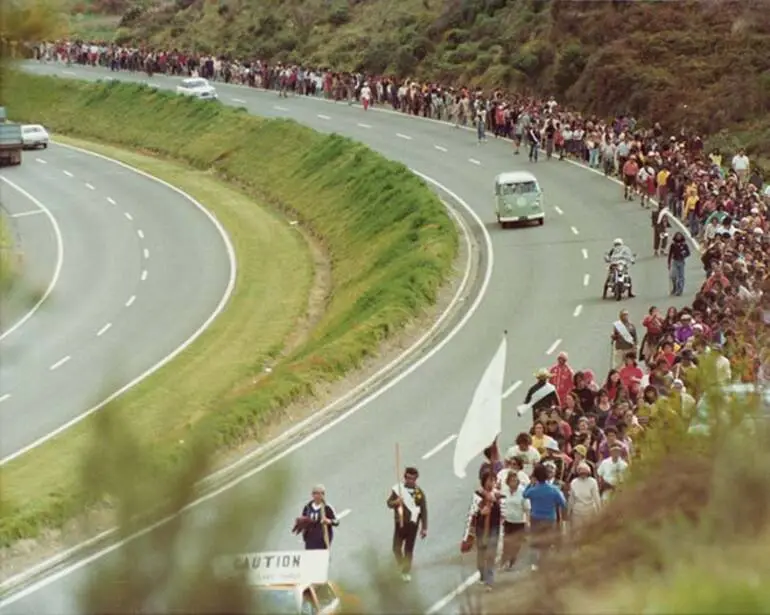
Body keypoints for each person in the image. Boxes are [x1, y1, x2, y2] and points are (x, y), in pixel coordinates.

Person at [461, 470, 502, 590]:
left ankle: (490, 581)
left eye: (494, 480)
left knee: (491, 554)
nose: (492, 483)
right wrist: (481, 512)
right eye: (489, 480)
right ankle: (482, 574)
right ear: (484, 482)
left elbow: (503, 513)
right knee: (481, 553)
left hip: (494, 528)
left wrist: (495, 502)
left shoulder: (498, 495)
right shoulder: (478, 494)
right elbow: (472, 512)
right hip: (481, 528)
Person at [386, 467, 428, 583]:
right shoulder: (398, 490)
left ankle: (405, 571)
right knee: (396, 548)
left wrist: (424, 528)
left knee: (408, 550)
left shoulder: (419, 494)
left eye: (412, 479)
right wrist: (396, 502)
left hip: (412, 525)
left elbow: (423, 511)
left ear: (416, 479)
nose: (409, 481)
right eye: (407, 478)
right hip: (399, 523)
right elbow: (389, 503)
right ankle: (401, 565)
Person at [523, 463, 567, 571]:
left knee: (536, 541)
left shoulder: (533, 490)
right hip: (549, 519)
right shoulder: (554, 489)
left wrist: (530, 483)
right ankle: (544, 563)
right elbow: (563, 503)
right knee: (547, 543)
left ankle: (535, 564)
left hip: (536, 518)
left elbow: (524, 494)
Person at [292, 485, 340, 550]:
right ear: (312, 495)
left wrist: (328, 521)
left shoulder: (327, 507)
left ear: (323, 495)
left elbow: (336, 522)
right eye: (316, 493)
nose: (318, 496)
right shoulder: (307, 507)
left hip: (323, 540)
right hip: (310, 539)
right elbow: (303, 519)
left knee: (321, 558)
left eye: (320, 493)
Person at [500, 470, 530, 570]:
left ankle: (512, 561)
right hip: (508, 521)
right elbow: (502, 503)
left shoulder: (522, 492)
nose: (514, 482)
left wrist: (528, 522)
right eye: (512, 480)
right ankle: (504, 561)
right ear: (508, 482)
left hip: (519, 521)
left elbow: (527, 508)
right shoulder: (505, 491)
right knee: (507, 542)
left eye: (515, 480)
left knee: (516, 544)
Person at [668, 232, 691, 296]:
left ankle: (680, 290)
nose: (678, 237)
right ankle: (675, 287)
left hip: (681, 261)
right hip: (674, 261)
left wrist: (684, 254)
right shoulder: (673, 244)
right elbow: (670, 254)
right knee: (673, 276)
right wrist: (669, 263)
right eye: (677, 236)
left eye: (679, 236)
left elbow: (688, 253)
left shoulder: (684, 245)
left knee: (681, 276)